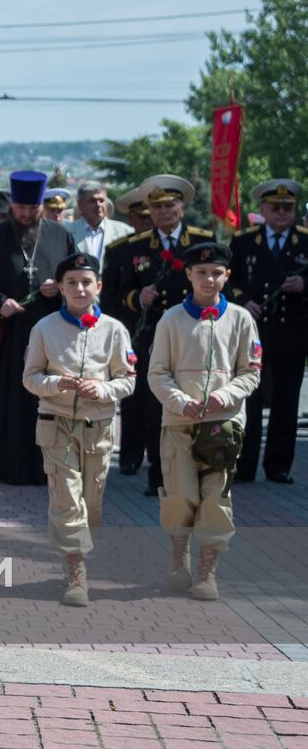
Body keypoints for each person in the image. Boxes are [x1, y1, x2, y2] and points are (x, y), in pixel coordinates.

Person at [21, 252, 135, 607]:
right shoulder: (44, 328)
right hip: (56, 426)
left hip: (98, 427)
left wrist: (102, 389)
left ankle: (78, 556)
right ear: (60, 288)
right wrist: (58, 383)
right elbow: (30, 378)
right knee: (66, 499)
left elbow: (127, 380)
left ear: (98, 286)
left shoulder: (115, 329)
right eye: (71, 282)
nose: (80, 288)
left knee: (91, 503)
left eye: (86, 282)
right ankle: (76, 572)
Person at [148, 241, 260, 600]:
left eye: (216, 273)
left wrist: (223, 396)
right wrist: (180, 401)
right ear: (188, 275)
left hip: (223, 426)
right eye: (201, 272)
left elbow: (251, 371)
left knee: (216, 498)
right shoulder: (171, 319)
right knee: (181, 495)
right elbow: (157, 373)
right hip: (179, 423)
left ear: (227, 275)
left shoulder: (241, 319)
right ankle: (179, 556)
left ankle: (207, 572)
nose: (209, 279)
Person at [103, 174, 214, 496]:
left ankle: (196, 471)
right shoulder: (128, 249)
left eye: (170, 205)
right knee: (156, 406)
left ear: (182, 208)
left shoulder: (202, 243)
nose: (164, 212)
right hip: (151, 337)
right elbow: (111, 297)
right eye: (157, 206)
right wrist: (137, 299)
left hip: (194, 337)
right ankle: (160, 475)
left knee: (195, 402)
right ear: (148, 211)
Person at [0, 170, 75, 485]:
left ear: (41, 205)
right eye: (20, 209)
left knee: (44, 397)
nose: (26, 215)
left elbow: (78, 277)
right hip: (7, 335)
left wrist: (62, 288)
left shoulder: (60, 235)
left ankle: (47, 466)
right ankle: (3, 464)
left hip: (49, 332)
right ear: (13, 206)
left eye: (32, 209)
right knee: (5, 400)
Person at [230, 179, 306, 484]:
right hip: (254, 332)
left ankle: (278, 465)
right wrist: (243, 301)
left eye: (288, 208)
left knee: (286, 401)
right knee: (249, 398)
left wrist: (304, 285)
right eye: (275, 207)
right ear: (262, 209)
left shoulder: (305, 240)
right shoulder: (244, 241)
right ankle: (244, 464)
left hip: (292, 333)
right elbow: (228, 280)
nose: (282, 213)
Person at [65, 181, 132, 265]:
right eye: (92, 201)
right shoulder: (66, 232)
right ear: (80, 205)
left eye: (101, 200)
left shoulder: (125, 231)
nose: (98, 205)